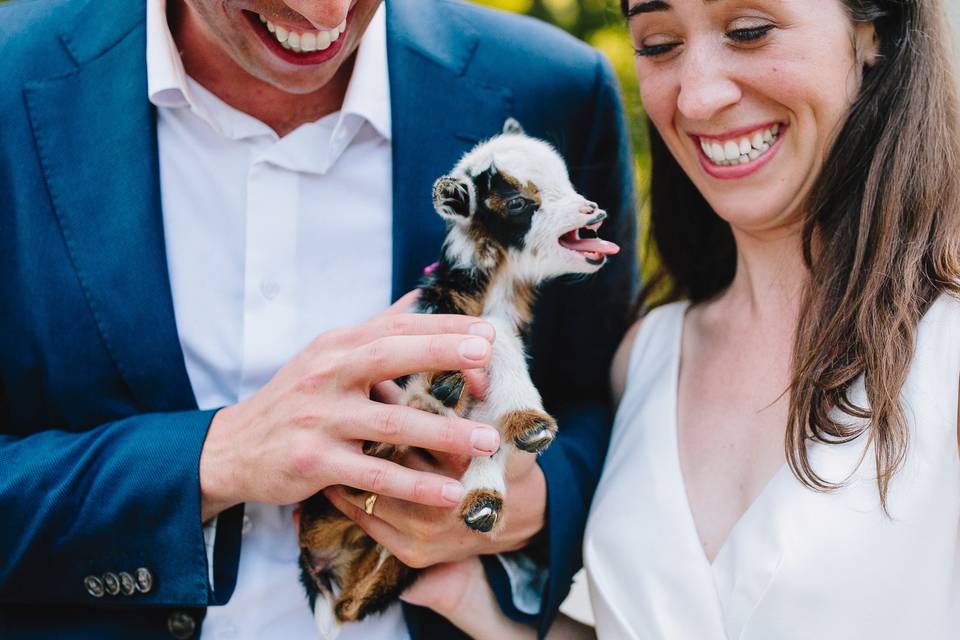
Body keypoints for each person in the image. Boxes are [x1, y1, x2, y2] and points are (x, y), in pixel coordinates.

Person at [0, 0, 637, 638]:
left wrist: (533, 503)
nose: (322, 11)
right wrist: (211, 459)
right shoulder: (13, 68)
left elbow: (603, 406)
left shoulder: (555, 89)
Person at [402, 0, 960, 638]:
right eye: (660, 43)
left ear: (875, 33)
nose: (696, 98)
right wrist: (470, 601)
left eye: (749, 32)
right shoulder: (646, 354)